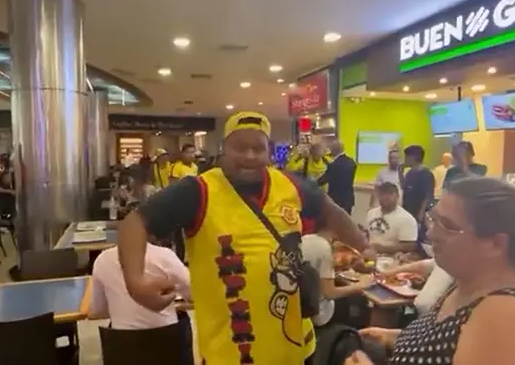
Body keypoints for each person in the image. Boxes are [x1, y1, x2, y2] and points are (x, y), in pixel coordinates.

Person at [117, 111, 368, 364]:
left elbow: (331, 211)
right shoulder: (198, 191)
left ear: (268, 152)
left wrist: (364, 247)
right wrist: (136, 282)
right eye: (240, 147)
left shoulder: (291, 186)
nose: (249, 156)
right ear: (224, 149)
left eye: (257, 148)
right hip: (231, 351)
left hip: (295, 346)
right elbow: (134, 223)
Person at [361, 177, 515, 365]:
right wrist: (397, 338)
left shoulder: (511, 322)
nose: (430, 234)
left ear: (495, 244)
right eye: (433, 219)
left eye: (447, 225)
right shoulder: (466, 283)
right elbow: (447, 348)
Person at [89, 235, 191, 329]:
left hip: (122, 343)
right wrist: (174, 293)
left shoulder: (102, 260)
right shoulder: (166, 256)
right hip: (167, 340)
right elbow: (194, 294)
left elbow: (98, 310)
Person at [302, 229, 373, 328]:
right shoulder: (325, 248)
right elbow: (329, 293)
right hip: (317, 313)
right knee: (359, 300)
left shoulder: (307, 238)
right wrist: (359, 286)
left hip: (302, 304)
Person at [361, 182, 417, 255]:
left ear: (397, 196)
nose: (386, 197)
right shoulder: (371, 213)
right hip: (369, 254)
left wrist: (383, 248)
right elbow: (366, 234)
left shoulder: (406, 218)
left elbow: (410, 246)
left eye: (390, 194)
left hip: (392, 258)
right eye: (383, 194)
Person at [317, 141, 357, 215]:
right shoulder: (352, 162)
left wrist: (311, 183)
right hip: (348, 199)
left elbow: (322, 180)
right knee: (346, 222)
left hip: (335, 200)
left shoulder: (333, 165)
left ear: (334, 150)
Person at [400, 145, 434, 223]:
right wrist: (400, 173)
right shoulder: (410, 173)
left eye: (406, 157)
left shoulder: (426, 173)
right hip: (408, 211)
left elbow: (428, 196)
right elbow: (404, 187)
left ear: (413, 157)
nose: (404, 159)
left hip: (418, 214)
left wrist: (421, 213)